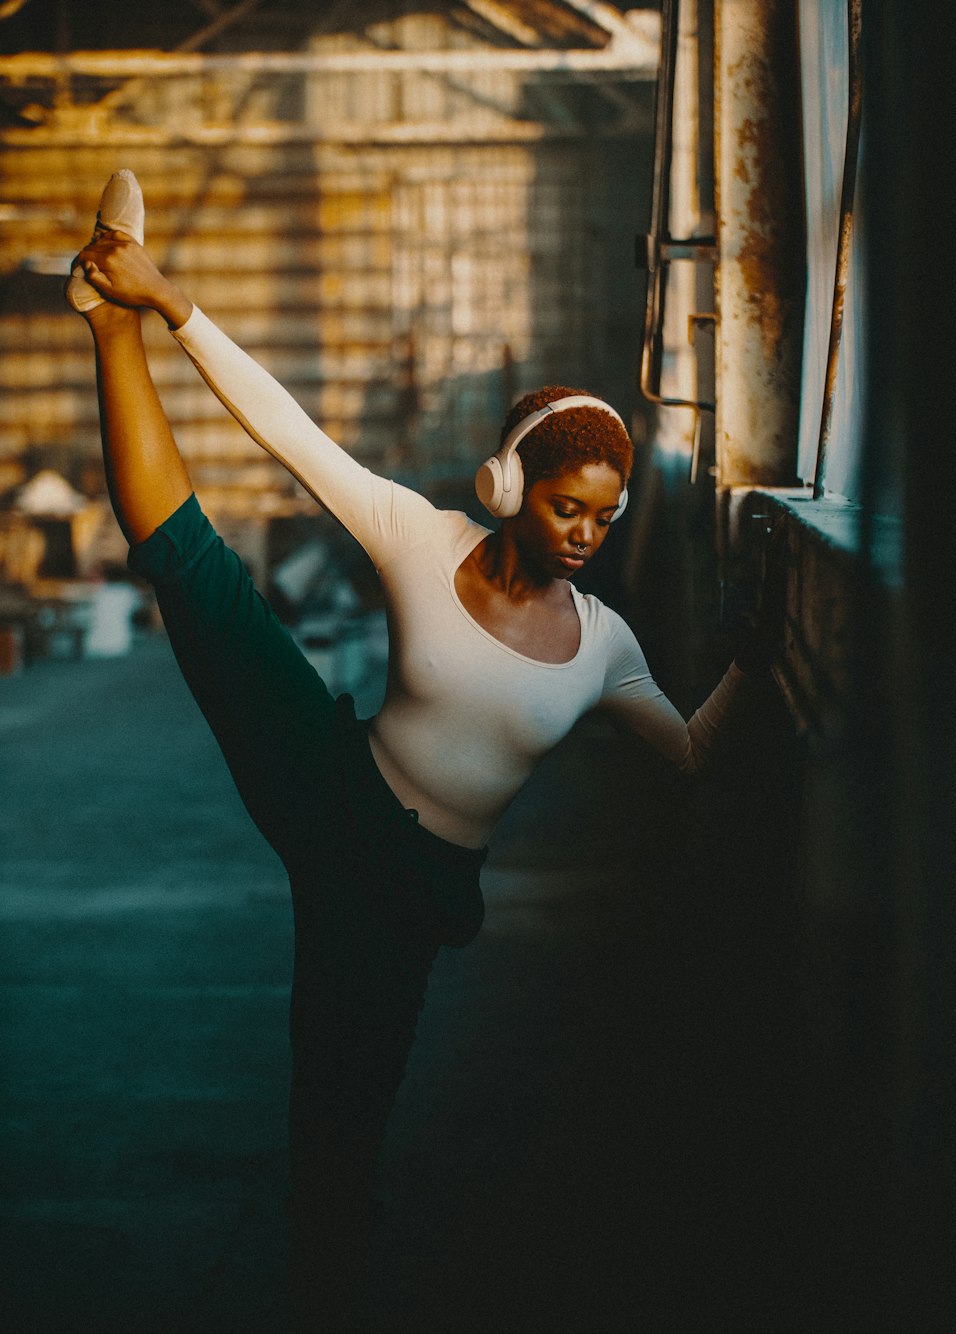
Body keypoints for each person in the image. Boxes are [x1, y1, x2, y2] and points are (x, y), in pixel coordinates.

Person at [68, 172, 763, 1330]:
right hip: (328, 772)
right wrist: (167, 300)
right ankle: (105, 321)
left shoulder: (606, 647)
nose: (587, 535)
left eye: (606, 514)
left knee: (338, 1127)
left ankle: (320, 1289)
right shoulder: (421, 535)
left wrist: (755, 659)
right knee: (192, 572)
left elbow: (686, 755)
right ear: (508, 489)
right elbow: (285, 427)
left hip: (396, 890)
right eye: (566, 509)